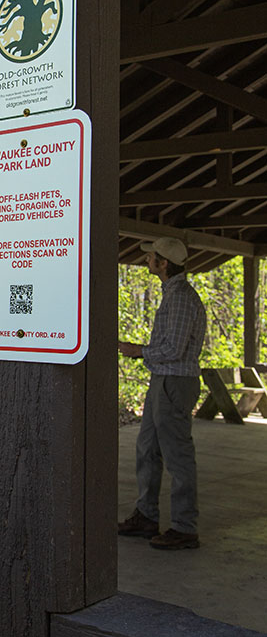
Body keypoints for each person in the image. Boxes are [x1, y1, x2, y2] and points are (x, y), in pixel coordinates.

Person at [118, 236, 206, 551]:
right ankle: (146, 515)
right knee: (147, 449)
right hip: (164, 380)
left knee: (177, 456)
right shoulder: (172, 294)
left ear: (163, 263)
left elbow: (174, 348)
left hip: (174, 382)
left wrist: (137, 350)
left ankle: (184, 527)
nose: (147, 261)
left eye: (151, 257)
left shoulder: (181, 297)